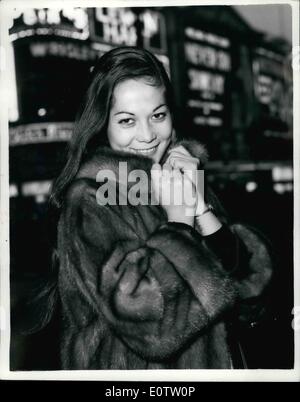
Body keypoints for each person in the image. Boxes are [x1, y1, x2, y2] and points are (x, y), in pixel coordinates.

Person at [19, 46, 273, 370]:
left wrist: (199, 209)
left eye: (158, 115)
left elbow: (247, 296)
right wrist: (179, 226)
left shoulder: (182, 175)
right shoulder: (93, 199)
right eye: (127, 120)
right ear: (103, 126)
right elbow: (152, 327)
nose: (148, 135)